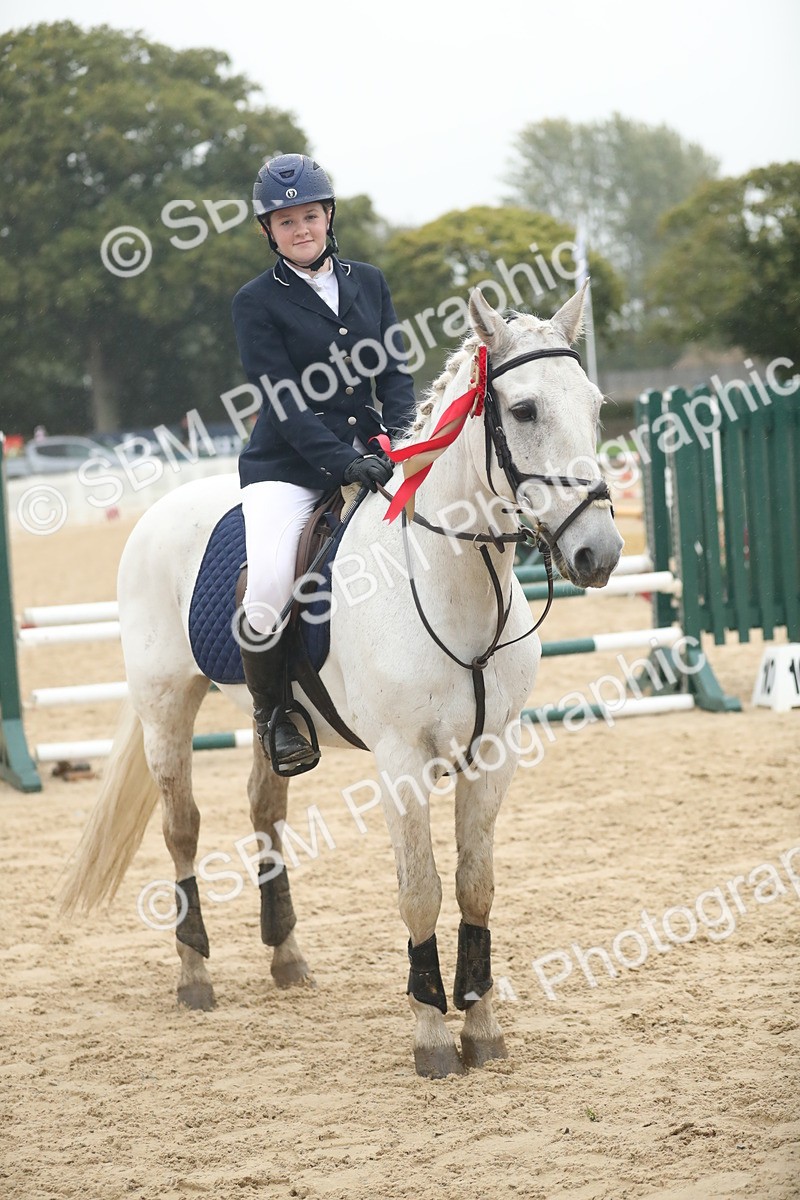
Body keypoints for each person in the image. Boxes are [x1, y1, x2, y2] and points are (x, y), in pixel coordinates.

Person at [232, 153, 416, 771]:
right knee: (267, 587)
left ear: (328, 216)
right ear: (269, 230)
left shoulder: (370, 281)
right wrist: (341, 461)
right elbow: (283, 400)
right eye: (286, 222)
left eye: (309, 216)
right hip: (286, 467)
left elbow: (395, 372)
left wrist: (402, 438)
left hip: (371, 454)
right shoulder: (255, 301)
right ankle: (275, 714)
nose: (300, 229)